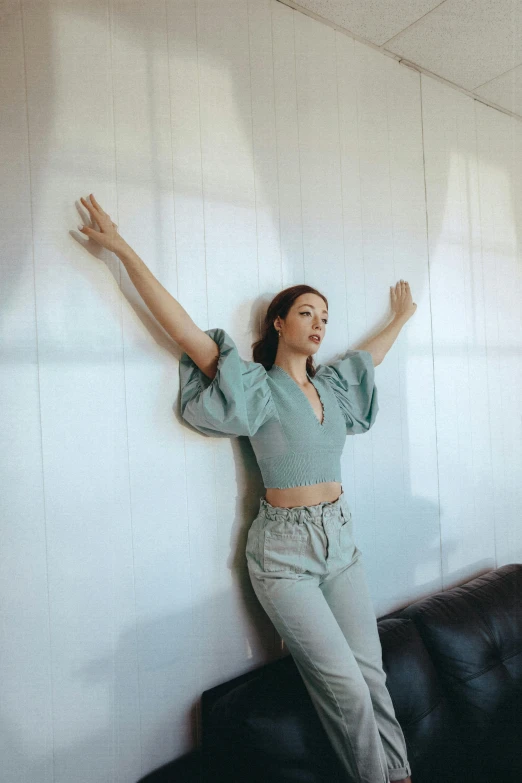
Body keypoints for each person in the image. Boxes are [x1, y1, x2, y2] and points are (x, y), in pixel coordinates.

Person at [77, 194, 416, 783]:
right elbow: (183, 329)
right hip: (285, 557)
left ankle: (402, 774)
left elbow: (371, 357)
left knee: (373, 677)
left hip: (341, 540)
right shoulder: (255, 388)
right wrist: (121, 250)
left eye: (326, 318)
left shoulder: (334, 388)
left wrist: (401, 318)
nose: (320, 325)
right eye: (308, 313)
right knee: (345, 690)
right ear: (279, 323)